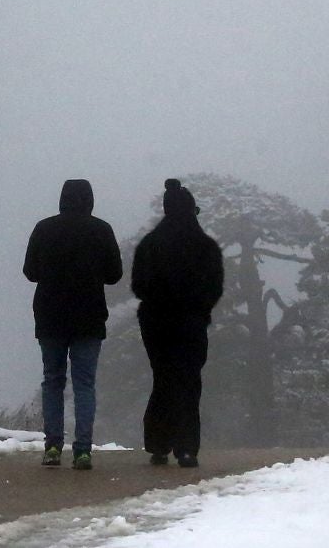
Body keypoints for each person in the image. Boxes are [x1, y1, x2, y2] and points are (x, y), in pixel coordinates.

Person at [23, 178, 124, 470]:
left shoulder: (44, 228)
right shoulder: (101, 229)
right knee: (84, 384)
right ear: (90, 199)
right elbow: (114, 274)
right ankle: (82, 450)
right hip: (89, 317)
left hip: (50, 316)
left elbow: (30, 272)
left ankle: (53, 446)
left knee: (52, 380)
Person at [131, 178, 226, 468]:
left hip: (155, 323)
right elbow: (215, 288)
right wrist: (197, 307)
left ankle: (159, 444)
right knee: (188, 380)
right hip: (191, 323)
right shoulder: (206, 246)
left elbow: (138, 286)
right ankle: (186, 448)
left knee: (163, 378)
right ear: (191, 211)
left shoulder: (149, 244)